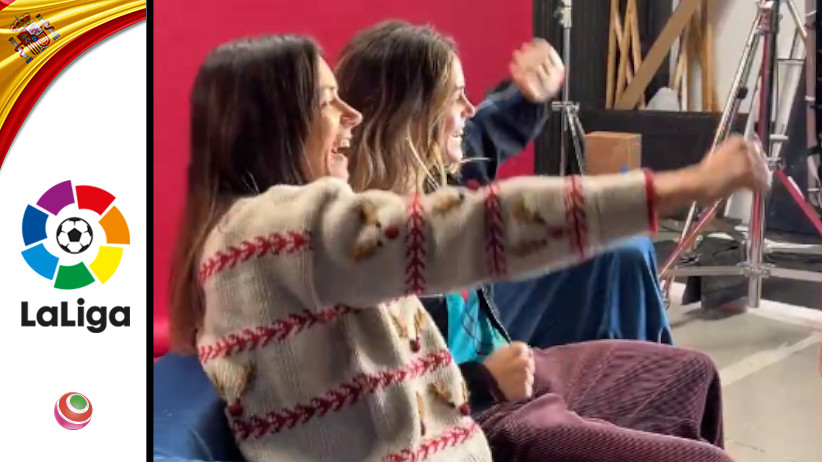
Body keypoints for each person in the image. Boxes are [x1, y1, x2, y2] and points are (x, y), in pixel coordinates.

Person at [168, 33, 768, 462]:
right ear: (276, 123)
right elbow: (476, 229)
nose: (350, 114)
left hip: (468, 423)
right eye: (328, 101)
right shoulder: (281, 231)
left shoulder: (276, 233)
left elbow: (476, 160)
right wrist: (685, 185)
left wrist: (527, 97)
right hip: (481, 425)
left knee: (691, 375)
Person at [335, 21, 762, 461]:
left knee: (695, 372)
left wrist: (528, 95)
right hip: (477, 417)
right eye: (455, 96)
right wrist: (483, 379)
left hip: (520, 370)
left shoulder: (438, 177)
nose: (469, 107)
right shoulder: (359, 247)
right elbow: (378, 408)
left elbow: (487, 133)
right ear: (413, 117)